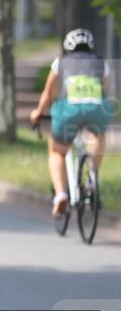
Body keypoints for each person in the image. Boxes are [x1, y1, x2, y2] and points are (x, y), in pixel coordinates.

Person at [29, 28, 113, 216]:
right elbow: (106, 90)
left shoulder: (60, 63)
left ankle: (60, 195)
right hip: (97, 107)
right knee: (97, 135)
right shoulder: (102, 63)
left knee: (57, 151)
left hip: (69, 110)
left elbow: (49, 93)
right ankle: (92, 177)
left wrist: (38, 113)